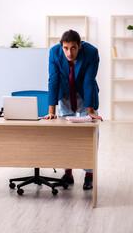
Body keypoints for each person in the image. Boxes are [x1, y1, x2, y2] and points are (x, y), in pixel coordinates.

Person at [43, 29, 103, 190]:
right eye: (66, 48)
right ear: (61, 46)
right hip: (65, 93)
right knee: (64, 134)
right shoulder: (54, 53)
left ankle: (89, 175)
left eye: (74, 48)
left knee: (89, 134)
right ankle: (67, 173)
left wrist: (90, 111)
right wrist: (51, 111)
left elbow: (89, 81)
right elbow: (53, 80)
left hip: (86, 94)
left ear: (80, 46)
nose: (70, 52)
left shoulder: (91, 52)